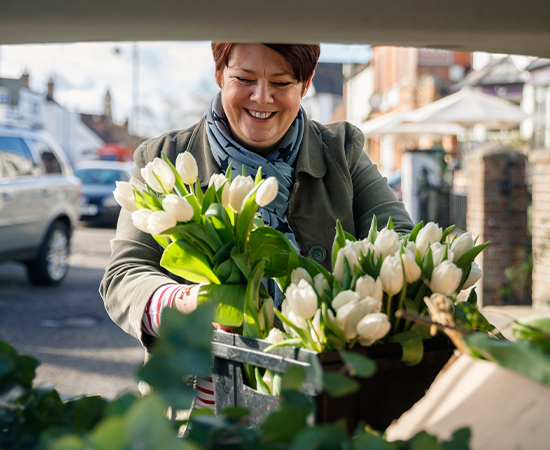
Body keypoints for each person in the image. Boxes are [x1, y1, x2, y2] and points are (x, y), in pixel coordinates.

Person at [99, 43, 414, 411]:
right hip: (199, 404)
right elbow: (124, 275)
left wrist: (337, 311)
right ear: (219, 74)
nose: (262, 98)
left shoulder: (342, 152)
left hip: (326, 395)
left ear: (306, 83)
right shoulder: (163, 158)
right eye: (244, 79)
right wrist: (190, 303)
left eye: (281, 83)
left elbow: (402, 243)